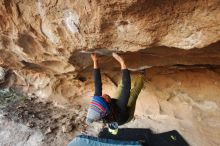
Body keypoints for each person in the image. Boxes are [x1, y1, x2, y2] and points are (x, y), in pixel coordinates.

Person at [86, 52, 145, 134]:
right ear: (107, 103)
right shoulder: (120, 109)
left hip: (113, 108)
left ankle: (127, 72)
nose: (102, 95)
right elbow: (126, 88)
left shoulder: (99, 103)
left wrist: (95, 61)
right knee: (133, 93)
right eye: (103, 98)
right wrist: (122, 62)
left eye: (100, 97)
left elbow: (97, 83)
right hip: (125, 116)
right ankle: (142, 75)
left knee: (120, 86)